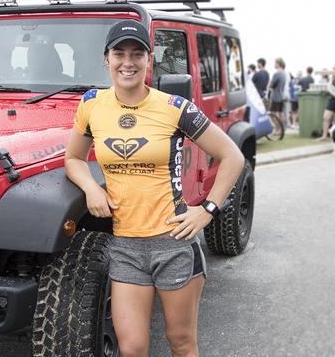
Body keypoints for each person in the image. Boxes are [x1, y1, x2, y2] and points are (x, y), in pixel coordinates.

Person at [64, 19, 244, 356]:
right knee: (131, 348)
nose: (127, 62)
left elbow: (231, 156)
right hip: (125, 247)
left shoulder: (174, 108)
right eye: (119, 53)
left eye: (137, 54)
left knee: (182, 343)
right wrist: (91, 187)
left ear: (149, 61)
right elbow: (74, 158)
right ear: (107, 59)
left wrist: (207, 210)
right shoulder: (91, 105)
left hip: (173, 244)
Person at [317, 64, 335, 141]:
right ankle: (324, 136)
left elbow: (332, 91)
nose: (333, 72)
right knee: (326, 117)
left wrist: (332, 91)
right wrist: (331, 80)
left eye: (334, 70)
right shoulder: (333, 79)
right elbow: (329, 89)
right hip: (333, 100)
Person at [268, 58, 287, 133]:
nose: (274, 64)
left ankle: (277, 129)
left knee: (273, 114)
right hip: (281, 95)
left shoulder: (277, 73)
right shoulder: (284, 73)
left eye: (275, 63)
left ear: (278, 63)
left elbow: (270, 85)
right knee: (280, 113)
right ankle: (282, 129)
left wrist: (269, 84)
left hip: (275, 96)